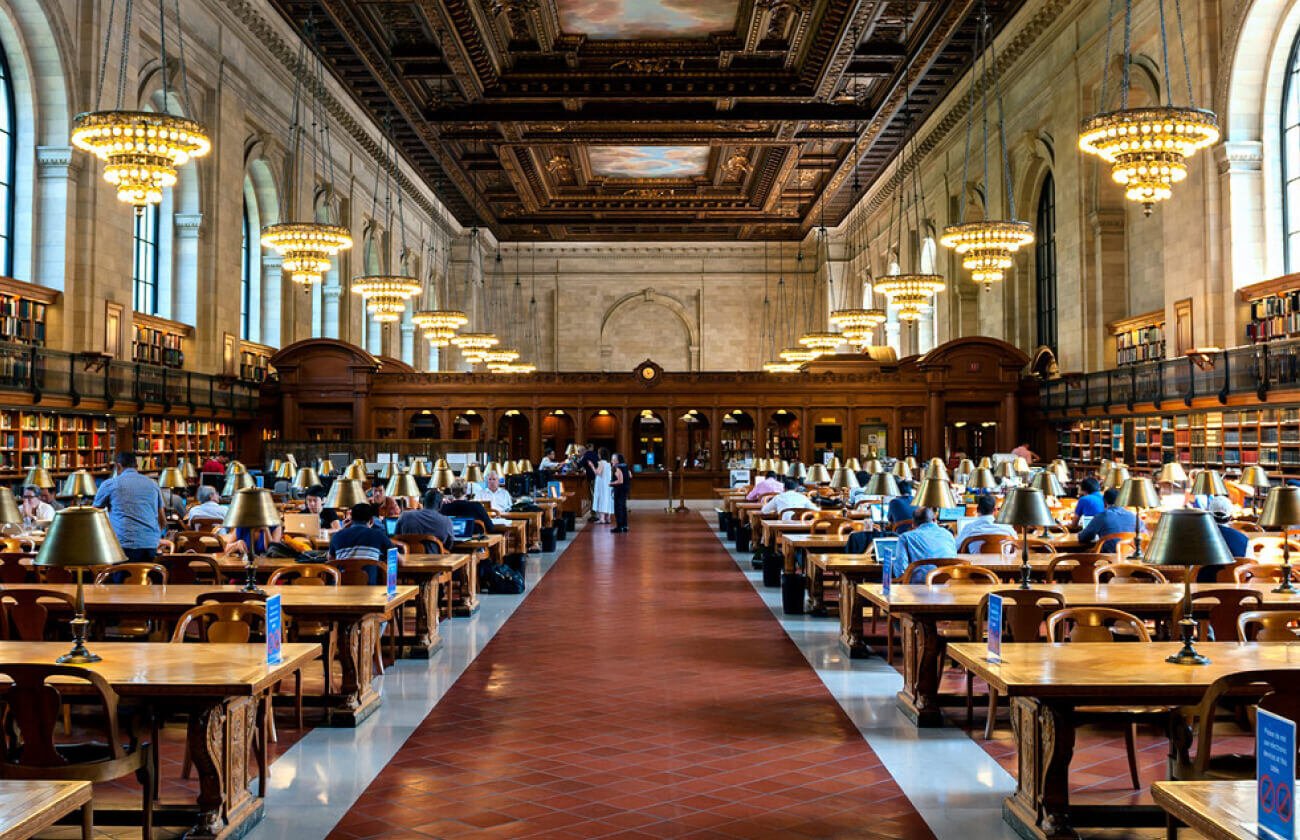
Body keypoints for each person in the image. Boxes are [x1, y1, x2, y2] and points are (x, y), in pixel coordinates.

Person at [92, 452, 166, 562]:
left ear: (118, 466)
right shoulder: (153, 485)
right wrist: (151, 537)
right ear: (137, 466)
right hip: (150, 547)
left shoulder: (110, 484)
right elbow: (162, 521)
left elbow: (94, 516)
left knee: (118, 577)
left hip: (123, 546)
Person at [328, 503, 394, 583]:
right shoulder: (378, 535)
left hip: (341, 589)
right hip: (370, 591)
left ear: (351, 519)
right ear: (371, 520)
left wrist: (342, 530)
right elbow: (396, 558)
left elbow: (330, 560)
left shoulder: (337, 536)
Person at [891, 508, 958, 583]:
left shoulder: (905, 537)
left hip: (917, 589)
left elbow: (900, 572)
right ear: (934, 520)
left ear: (913, 524)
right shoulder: (948, 534)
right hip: (948, 586)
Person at [1077, 489, 1143, 553]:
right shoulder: (1134, 516)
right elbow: (1144, 536)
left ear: (1104, 501)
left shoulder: (1102, 516)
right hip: (1130, 559)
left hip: (1107, 560)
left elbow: (1083, 537)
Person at [578, 443, 600, 522]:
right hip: (597, 477)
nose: (579, 453)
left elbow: (578, 466)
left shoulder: (586, 455)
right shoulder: (595, 454)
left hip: (592, 478)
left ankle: (594, 515)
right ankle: (597, 513)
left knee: (592, 496)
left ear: (584, 450)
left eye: (579, 452)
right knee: (595, 495)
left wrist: (574, 461)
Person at [592, 447, 614, 525]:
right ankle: (608, 518)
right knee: (607, 498)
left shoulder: (601, 462)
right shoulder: (609, 463)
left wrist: (592, 466)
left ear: (601, 454)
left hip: (602, 484)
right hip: (608, 484)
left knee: (602, 498)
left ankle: (602, 518)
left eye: (598, 453)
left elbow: (598, 472)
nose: (598, 455)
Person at [610, 452, 630, 533]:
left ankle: (619, 527)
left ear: (617, 460)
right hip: (625, 488)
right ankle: (625, 526)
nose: (611, 461)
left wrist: (611, 483)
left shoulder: (617, 467)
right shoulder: (625, 466)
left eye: (613, 459)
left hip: (619, 489)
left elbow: (620, 481)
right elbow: (630, 475)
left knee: (618, 508)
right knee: (623, 507)